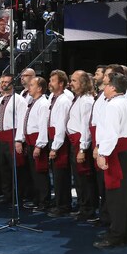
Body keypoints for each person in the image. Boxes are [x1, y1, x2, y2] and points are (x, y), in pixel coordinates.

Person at [94, 72, 127, 248]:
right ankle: (126, 230)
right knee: (125, 194)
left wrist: (103, 153)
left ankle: (116, 234)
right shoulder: (125, 102)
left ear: (112, 87)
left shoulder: (112, 106)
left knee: (116, 196)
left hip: (116, 152)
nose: (103, 87)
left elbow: (111, 134)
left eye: (105, 84)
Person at [0, 74, 28, 205]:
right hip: (1, 138)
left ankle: (18, 196)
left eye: (6, 82)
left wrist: (19, 140)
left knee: (16, 169)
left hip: (13, 136)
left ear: (12, 84)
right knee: (3, 168)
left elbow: (22, 120)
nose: (3, 84)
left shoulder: (19, 100)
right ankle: (7, 195)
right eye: (2, 82)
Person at [16, 76, 51, 211]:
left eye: (32, 85)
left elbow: (42, 126)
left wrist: (39, 145)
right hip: (30, 141)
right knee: (33, 173)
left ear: (40, 88)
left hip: (37, 141)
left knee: (40, 172)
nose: (29, 87)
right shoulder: (32, 101)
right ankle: (37, 199)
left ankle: (44, 201)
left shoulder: (43, 104)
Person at [67, 70, 97, 220]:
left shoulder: (86, 101)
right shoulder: (78, 98)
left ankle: (88, 209)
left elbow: (86, 126)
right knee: (79, 178)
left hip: (80, 142)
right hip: (75, 141)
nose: (70, 83)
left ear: (83, 83)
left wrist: (82, 148)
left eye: (74, 81)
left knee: (85, 178)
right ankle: (82, 205)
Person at [46, 70, 74, 218]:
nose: (50, 83)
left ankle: (63, 204)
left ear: (61, 83)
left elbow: (61, 125)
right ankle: (59, 201)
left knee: (61, 174)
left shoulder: (63, 100)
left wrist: (55, 146)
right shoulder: (53, 97)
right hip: (53, 137)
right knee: (56, 174)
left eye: (53, 81)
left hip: (60, 140)